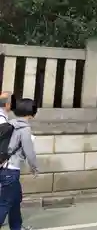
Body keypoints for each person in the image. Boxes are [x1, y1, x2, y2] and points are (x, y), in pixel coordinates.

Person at [0, 98, 38, 230]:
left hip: (4, 168)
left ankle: (16, 227)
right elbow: (29, 152)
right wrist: (34, 167)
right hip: (11, 171)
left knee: (15, 200)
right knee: (4, 203)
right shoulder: (24, 129)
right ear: (31, 112)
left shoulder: (10, 124)